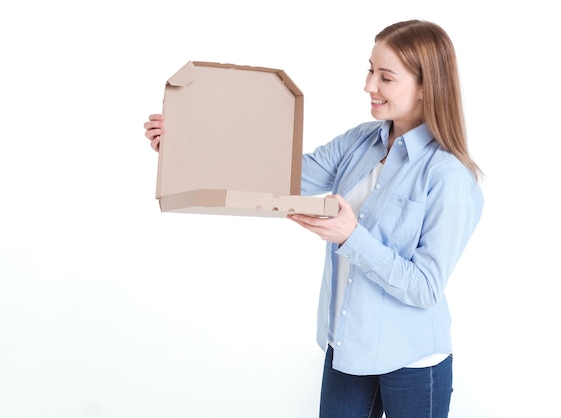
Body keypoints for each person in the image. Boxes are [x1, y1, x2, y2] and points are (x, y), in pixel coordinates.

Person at [144, 19, 483, 418]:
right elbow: (276, 177)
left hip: (412, 361)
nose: (369, 86)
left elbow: (425, 287)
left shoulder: (449, 175)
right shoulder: (361, 141)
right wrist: (185, 146)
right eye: (370, 70)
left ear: (427, 87)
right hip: (348, 348)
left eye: (385, 77)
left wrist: (351, 236)